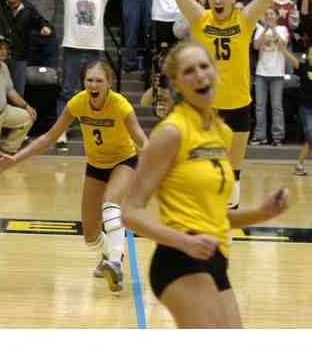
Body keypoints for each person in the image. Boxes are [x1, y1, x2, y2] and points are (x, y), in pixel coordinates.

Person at [121, 0, 312, 209]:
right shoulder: (200, 18)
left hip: (239, 106)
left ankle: (225, 225)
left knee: (233, 177)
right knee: (205, 175)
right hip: (206, 109)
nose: (218, 1)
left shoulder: (245, 19)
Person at [122, 41, 290, 327]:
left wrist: (261, 213)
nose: (200, 75)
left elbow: (213, 215)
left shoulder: (221, 132)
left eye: (204, 66)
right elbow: (130, 212)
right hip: (179, 259)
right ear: (176, 84)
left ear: (216, 71)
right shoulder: (171, 133)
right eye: (189, 71)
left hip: (215, 258)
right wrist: (185, 242)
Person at [0, 60, 147, 292]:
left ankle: (115, 263)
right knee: (90, 236)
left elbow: (143, 142)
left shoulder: (121, 106)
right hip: (96, 165)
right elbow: (49, 137)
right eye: (89, 80)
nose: (93, 85)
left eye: (99, 81)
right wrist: (16, 159)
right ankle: (110, 255)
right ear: (84, 82)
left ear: (108, 84)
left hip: (123, 161)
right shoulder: (77, 103)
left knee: (110, 206)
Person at [56, 0, 119, 148]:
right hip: (72, 50)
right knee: (68, 91)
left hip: (93, 52)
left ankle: (94, 129)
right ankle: (61, 132)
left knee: (96, 92)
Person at [251, 7, 288, 146]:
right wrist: (265, 30)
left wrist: (273, 29)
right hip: (261, 72)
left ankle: (278, 137)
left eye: (272, 14)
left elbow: (283, 44)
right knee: (260, 106)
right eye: (266, 14)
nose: (269, 16)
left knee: (276, 106)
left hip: (277, 73)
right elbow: (256, 46)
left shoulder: (282, 29)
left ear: (277, 16)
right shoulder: (260, 29)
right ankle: (260, 136)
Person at [281, 44, 312, 175]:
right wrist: (282, 49)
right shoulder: (304, 68)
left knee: (310, 138)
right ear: (308, 56)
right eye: (311, 53)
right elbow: (291, 59)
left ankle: (299, 165)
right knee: (310, 133)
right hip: (306, 108)